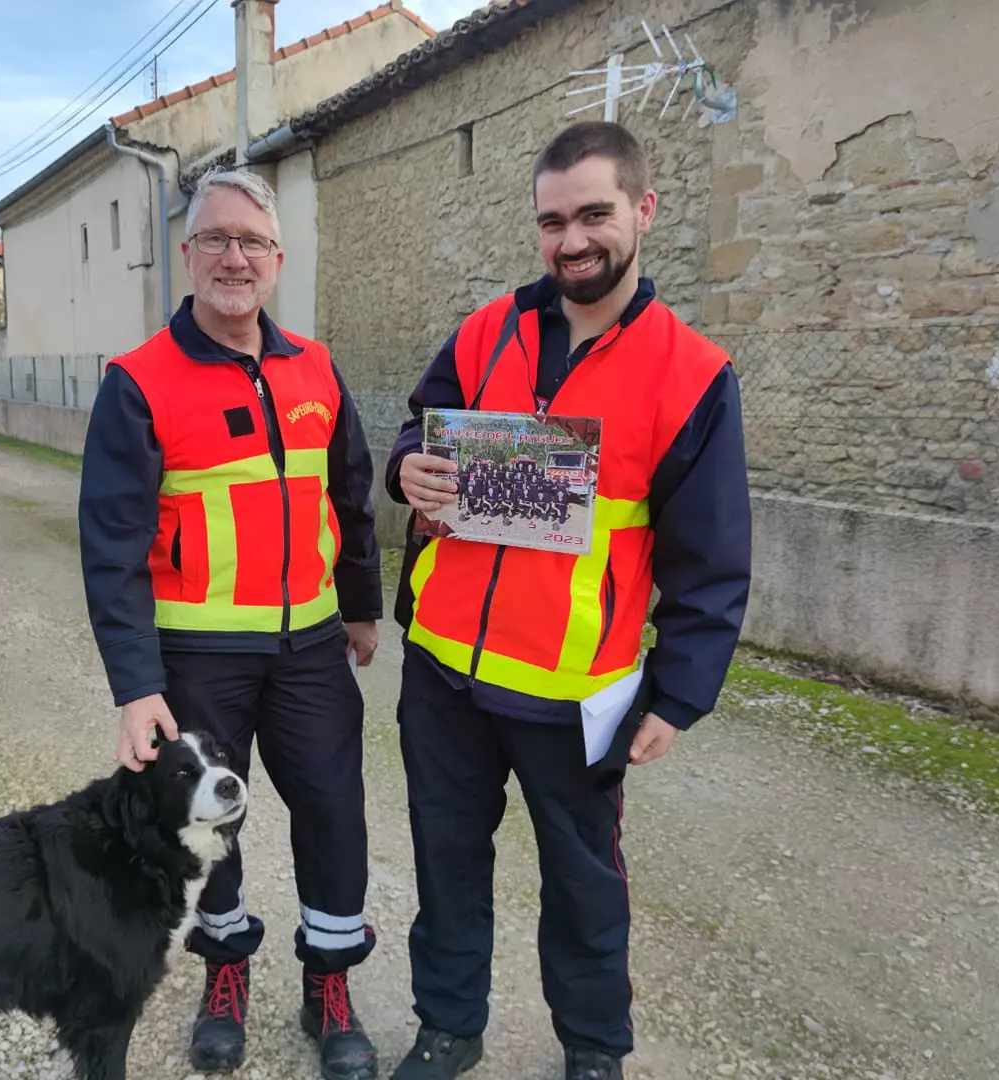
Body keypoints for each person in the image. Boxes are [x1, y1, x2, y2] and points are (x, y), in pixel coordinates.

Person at [384, 121, 753, 1080]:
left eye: (594, 213)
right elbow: (414, 437)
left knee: (586, 886)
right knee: (446, 865)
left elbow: (712, 559)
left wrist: (678, 694)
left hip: (571, 694)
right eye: (553, 220)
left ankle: (593, 1048)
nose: (572, 240)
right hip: (445, 674)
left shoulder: (693, 372)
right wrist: (407, 469)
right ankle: (449, 1027)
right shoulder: (486, 330)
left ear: (643, 209)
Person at [77, 165, 384, 1080]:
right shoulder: (138, 383)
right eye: (215, 238)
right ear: (188, 253)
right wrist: (136, 685)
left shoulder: (316, 368)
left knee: (334, 815)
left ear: (277, 259)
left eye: (251, 241)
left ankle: (330, 979)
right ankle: (226, 971)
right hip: (198, 657)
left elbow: (352, 496)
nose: (234, 257)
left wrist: (362, 609)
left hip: (314, 652)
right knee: (207, 827)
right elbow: (112, 548)